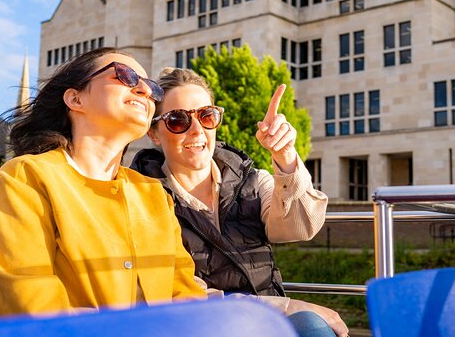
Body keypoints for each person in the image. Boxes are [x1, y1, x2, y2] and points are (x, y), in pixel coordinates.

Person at [0, 48, 205, 321]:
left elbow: (186, 297)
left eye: (152, 87)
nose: (145, 90)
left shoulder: (153, 193)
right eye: (126, 76)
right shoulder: (24, 180)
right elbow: (31, 309)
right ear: (75, 98)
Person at [131, 68, 348, 337]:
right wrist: (286, 306)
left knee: (313, 327)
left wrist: (286, 157)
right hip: (199, 328)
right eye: (177, 120)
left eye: (206, 115)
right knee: (310, 324)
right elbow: (180, 296)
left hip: (268, 321)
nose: (197, 130)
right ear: (154, 134)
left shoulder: (252, 180)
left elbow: (300, 227)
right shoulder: (142, 197)